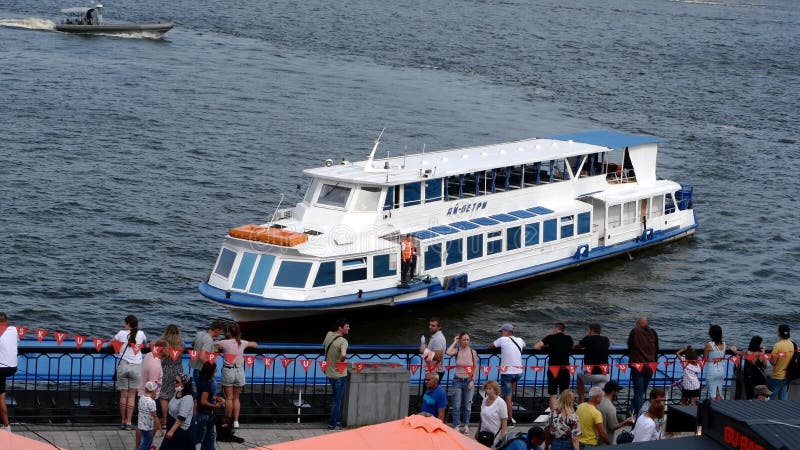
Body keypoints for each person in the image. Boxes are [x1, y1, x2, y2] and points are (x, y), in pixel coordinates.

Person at [218, 323, 258, 429]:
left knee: (229, 398)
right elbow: (255, 344)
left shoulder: (224, 343)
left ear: (229, 333)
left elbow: (211, 346)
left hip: (228, 371)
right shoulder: (243, 343)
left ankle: (227, 421)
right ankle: (236, 421)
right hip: (240, 370)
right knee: (236, 398)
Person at [113, 315, 147, 430]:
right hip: (136, 367)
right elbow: (145, 345)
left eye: (125, 323)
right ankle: (129, 422)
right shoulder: (141, 334)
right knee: (132, 396)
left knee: (124, 395)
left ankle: (122, 421)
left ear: (127, 324)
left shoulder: (121, 333)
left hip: (123, 366)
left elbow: (111, 343)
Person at [490, 323, 525, 426]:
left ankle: (509, 420)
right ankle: (508, 413)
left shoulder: (503, 339)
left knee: (507, 397)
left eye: (502, 331)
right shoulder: (520, 340)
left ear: (507, 332)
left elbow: (490, 346)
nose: (501, 334)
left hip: (507, 373)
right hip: (518, 372)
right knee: (510, 395)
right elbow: (524, 346)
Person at [534, 322, 572, 411]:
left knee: (553, 394)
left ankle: (553, 416)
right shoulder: (569, 338)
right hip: (565, 368)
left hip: (553, 369)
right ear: (563, 330)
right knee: (565, 393)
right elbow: (571, 348)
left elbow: (536, 347)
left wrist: (548, 347)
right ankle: (564, 415)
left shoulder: (550, 337)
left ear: (556, 328)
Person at [446, 331, 478, 434]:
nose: (466, 341)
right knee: (456, 404)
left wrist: (473, 380)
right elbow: (448, 352)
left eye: (468, 339)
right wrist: (455, 341)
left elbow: (475, 367)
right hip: (457, 380)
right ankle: (456, 425)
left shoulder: (473, 352)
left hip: (468, 380)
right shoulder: (457, 350)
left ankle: (466, 425)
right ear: (460, 340)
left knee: (467, 405)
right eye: (464, 339)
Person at [135, 339, 164, 450]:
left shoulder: (148, 355)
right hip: (152, 397)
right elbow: (153, 385)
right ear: (162, 350)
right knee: (156, 420)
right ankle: (145, 445)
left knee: (140, 423)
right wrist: (153, 400)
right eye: (167, 349)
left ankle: (138, 446)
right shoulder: (156, 365)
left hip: (142, 393)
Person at [627, 317, 658, 415]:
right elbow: (657, 348)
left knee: (639, 392)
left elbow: (629, 344)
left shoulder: (635, 331)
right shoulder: (653, 332)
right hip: (651, 365)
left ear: (638, 324)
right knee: (642, 391)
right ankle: (630, 410)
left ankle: (639, 416)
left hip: (638, 365)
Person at [323, 318, 350, 430]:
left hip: (329, 372)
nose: (349, 328)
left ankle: (337, 421)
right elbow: (343, 354)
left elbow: (324, 346)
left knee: (335, 398)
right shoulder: (343, 341)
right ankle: (332, 424)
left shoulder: (329, 334)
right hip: (340, 374)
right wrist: (341, 363)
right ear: (340, 328)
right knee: (337, 400)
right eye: (347, 326)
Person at [574, 323, 610, 403]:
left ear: (591, 331)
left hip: (592, 373)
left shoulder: (588, 339)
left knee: (579, 377)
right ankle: (600, 408)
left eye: (589, 330)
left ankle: (581, 401)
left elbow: (577, 346)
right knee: (600, 396)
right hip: (605, 374)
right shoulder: (606, 339)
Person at [194, 362, 225, 450]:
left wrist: (216, 398)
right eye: (215, 370)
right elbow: (203, 401)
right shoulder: (207, 384)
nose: (216, 371)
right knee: (207, 440)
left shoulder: (202, 380)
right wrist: (216, 406)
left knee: (207, 439)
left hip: (202, 414)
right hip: (205, 415)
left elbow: (207, 396)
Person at [158, 324, 184, 426]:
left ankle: (164, 421)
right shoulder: (181, 344)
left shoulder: (163, 343)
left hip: (165, 370)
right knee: (174, 396)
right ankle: (172, 420)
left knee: (164, 397)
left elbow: (153, 344)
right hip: (177, 371)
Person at [160, 372, 194, 450]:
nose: (174, 382)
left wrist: (171, 431)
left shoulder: (187, 398)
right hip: (172, 425)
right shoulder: (178, 392)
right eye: (175, 380)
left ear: (184, 384)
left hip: (180, 430)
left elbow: (181, 418)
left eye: (177, 381)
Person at [189, 320, 225, 386]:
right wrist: (211, 370)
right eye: (221, 332)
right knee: (210, 392)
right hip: (203, 372)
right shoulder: (209, 339)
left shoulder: (199, 333)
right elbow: (202, 356)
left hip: (195, 370)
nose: (220, 334)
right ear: (217, 330)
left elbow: (192, 344)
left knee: (199, 393)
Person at [0, 313, 19, 432]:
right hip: (12, 367)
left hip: (1, 368)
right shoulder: (14, 330)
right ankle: (6, 426)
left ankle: (7, 426)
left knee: (0, 398)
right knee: (1, 395)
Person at [477, 380, 508, 448]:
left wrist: (502, 436)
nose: (487, 391)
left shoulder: (501, 402)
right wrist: (478, 431)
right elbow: (481, 418)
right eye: (486, 388)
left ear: (495, 390)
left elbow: (504, 420)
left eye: (489, 389)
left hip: (495, 435)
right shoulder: (485, 400)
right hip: (483, 433)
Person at [767, 324, 794, 400]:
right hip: (788, 376)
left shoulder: (777, 346)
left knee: (771, 398)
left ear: (779, 333)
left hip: (777, 376)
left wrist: (770, 358)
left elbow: (773, 362)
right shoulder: (793, 345)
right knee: (783, 400)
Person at [703, 325, 728, 400]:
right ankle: (720, 409)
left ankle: (712, 410)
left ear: (711, 334)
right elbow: (723, 357)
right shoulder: (724, 344)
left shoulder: (709, 345)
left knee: (712, 395)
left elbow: (705, 358)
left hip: (711, 371)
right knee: (719, 393)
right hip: (721, 371)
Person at [137, 381, 162, 450]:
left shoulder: (141, 398)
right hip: (148, 427)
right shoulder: (151, 402)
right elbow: (155, 416)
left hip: (141, 425)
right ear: (153, 390)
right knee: (146, 444)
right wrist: (160, 429)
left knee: (144, 442)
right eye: (156, 390)